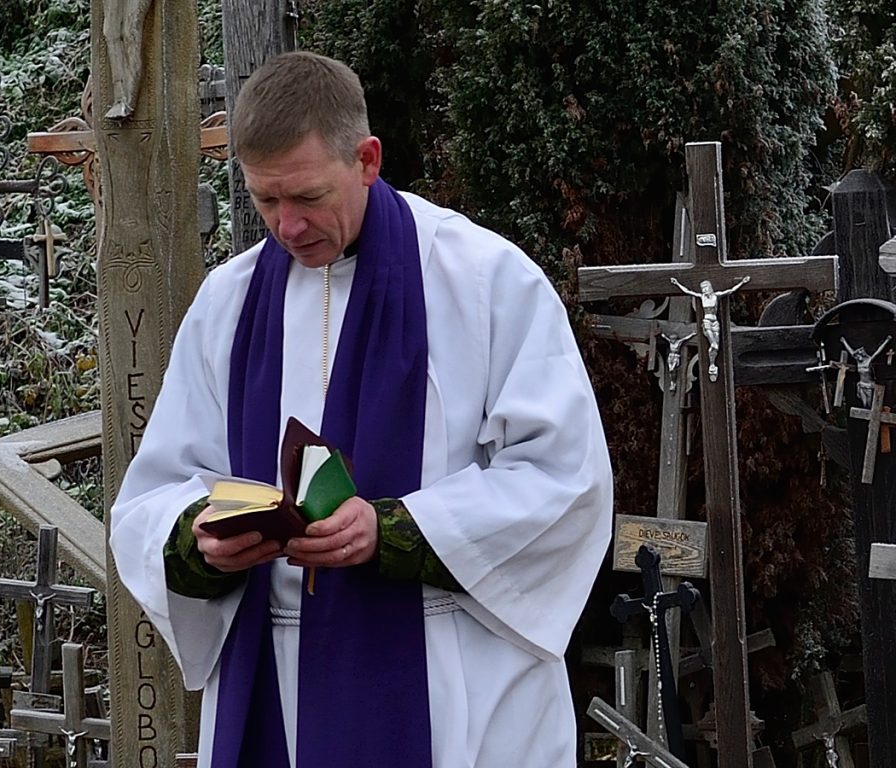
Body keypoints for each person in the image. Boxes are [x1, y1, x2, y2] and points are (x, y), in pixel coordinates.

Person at [109, 51, 613, 768]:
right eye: (264, 201)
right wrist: (201, 542)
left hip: (449, 677)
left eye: (308, 197)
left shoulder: (485, 280)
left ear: (367, 159)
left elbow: (563, 479)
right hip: (272, 672)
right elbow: (155, 493)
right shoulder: (228, 302)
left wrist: (395, 530)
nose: (286, 226)